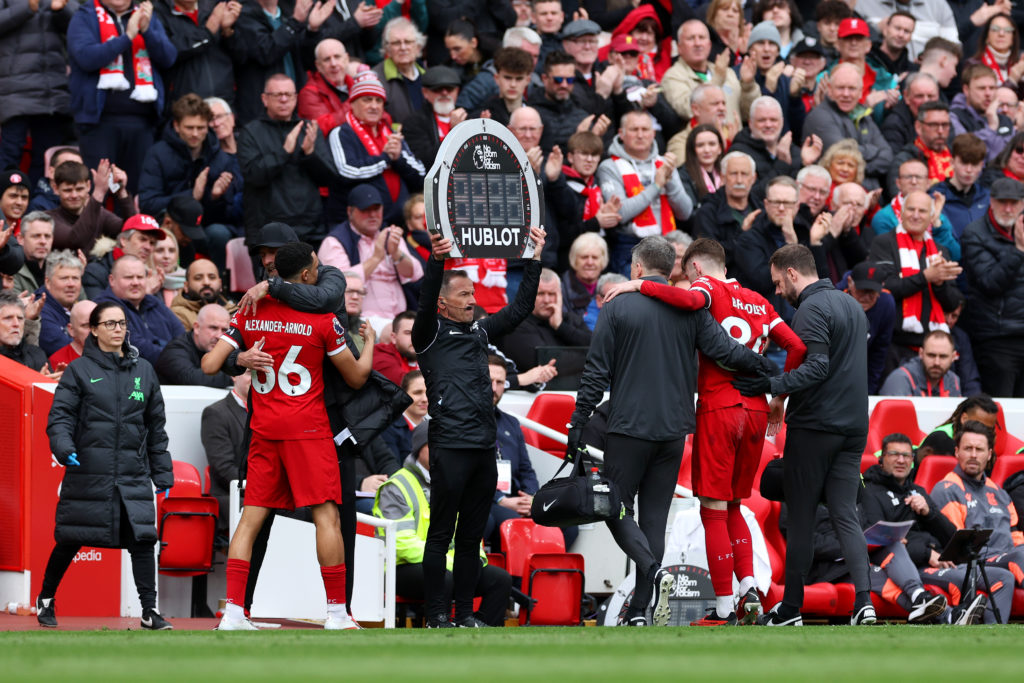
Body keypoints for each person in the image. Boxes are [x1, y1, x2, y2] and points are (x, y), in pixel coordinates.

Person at [569, 235, 773, 627]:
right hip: (674, 430)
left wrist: (578, 422)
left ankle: (649, 571)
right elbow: (728, 351)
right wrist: (769, 369)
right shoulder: (691, 310)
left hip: (628, 426)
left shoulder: (618, 304)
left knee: (612, 505)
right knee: (654, 519)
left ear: (638, 268)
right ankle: (641, 611)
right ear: (671, 269)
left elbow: (596, 372)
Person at [203, 241, 375, 631]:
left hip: (264, 429)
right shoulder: (322, 319)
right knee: (327, 517)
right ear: (307, 275)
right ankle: (335, 614)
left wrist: (241, 359)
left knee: (249, 520)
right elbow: (357, 377)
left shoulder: (251, 310)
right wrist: (370, 344)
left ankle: (232, 613)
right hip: (308, 430)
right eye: (315, 267)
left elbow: (209, 362)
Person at [410, 224, 547, 628]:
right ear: (444, 304)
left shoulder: (480, 331)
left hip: (483, 448)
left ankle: (465, 615)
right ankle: (436, 615)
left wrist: (534, 260)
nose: (473, 300)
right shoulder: (429, 334)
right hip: (449, 446)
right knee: (440, 535)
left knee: (471, 539)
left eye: (473, 293)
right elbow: (422, 298)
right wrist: (437, 259)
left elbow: (520, 309)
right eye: (464, 295)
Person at [734, 244, 875, 626]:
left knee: (800, 517)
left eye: (778, 283)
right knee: (845, 514)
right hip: (854, 426)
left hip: (815, 426)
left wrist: (770, 385)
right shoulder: (851, 306)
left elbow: (816, 368)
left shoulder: (812, 309)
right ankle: (865, 602)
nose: (777, 292)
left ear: (793, 273)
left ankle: (791, 609)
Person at [37, 300, 173, 630]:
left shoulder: (144, 371)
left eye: (122, 323)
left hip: (132, 474)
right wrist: (64, 447)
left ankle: (148, 611)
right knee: (70, 539)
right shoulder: (79, 371)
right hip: (89, 472)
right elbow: (60, 418)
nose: (118, 330)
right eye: (110, 324)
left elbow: (156, 426)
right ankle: (46, 599)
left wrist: (162, 472)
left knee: (142, 541)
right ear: (94, 330)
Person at [373, 420, 513, 626]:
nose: (442, 450)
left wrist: (475, 560)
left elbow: (469, 531)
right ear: (419, 449)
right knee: (442, 576)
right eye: (434, 444)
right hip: (401, 567)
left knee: (500, 579)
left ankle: (479, 632)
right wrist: (448, 562)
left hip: (445, 564)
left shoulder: (456, 480)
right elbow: (401, 543)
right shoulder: (397, 485)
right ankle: (438, 624)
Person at [862, 432, 1007, 624]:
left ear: (913, 460)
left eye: (906, 455)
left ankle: (989, 633)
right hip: (913, 565)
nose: (900, 460)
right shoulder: (869, 492)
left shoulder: (918, 491)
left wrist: (929, 512)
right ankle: (954, 616)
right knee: (961, 576)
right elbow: (880, 540)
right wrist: (926, 553)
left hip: (939, 560)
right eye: (894, 454)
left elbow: (951, 538)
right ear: (882, 459)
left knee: (1004, 576)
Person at [67, 1, 177, 194]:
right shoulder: (85, 16)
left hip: (141, 123)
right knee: (99, 192)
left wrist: (147, 31)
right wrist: (127, 37)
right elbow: (86, 57)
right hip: (99, 123)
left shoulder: (145, 15)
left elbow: (169, 58)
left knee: (135, 192)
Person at [137, 93, 241, 263]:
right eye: (189, 127)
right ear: (177, 126)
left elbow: (229, 216)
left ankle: (217, 283)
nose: (195, 134)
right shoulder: (158, 154)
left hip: (204, 226)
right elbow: (148, 204)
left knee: (220, 233)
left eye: (201, 128)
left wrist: (215, 198)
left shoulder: (219, 157)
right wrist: (191, 196)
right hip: (170, 225)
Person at [236, 73, 337, 246]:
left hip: (310, 230)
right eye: (277, 95)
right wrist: (284, 152)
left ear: (296, 98)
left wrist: (310, 154)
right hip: (268, 234)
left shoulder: (309, 129)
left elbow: (329, 178)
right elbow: (253, 176)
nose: (284, 100)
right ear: (265, 99)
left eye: (288, 95)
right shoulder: (250, 132)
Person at [868, 190, 961, 370]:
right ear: (901, 213)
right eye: (911, 209)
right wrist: (926, 276)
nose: (916, 215)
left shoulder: (941, 250)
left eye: (922, 211)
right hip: (892, 345)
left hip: (932, 351)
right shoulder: (883, 243)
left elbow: (952, 302)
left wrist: (939, 283)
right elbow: (886, 288)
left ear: (932, 216)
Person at [597, 110, 693, 275]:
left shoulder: (664, 163)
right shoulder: (609, 166)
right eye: (634, 129)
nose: (640, 135)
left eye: (645, 129)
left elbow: (685, 212)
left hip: (666, 244)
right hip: (631, 247)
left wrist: (669, 181)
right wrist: (656, 186)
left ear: (653, 133)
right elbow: (621, 212)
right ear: (621, 134)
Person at [932, 421, 1024, 591]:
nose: (973, 455)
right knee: (1019, 557)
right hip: (977, 562)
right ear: (957, 452)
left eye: (979, 449)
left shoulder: (1000, 493)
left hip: (1011, 558)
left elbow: (1017, 537)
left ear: (989, 454)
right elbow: (957, 546)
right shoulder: (947, 489)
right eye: (968, 448)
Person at [326, 70, 426, 227]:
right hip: (361, 225)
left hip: (400, 223)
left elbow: (420, 174)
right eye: (367, 100)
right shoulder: (341, 133)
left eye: (379, 101)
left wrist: (398, 157)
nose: (374, 106)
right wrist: (386, 158)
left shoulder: (391, 134)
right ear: (352, 103)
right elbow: (347, 171)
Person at [317, 184, 422, 324]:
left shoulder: (389, 234)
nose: (372, 215)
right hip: (359, 321)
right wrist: (376, 258)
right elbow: (338, 284)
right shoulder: (335, 242)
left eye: (376, 209)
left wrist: (396, 253)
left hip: (399, 319)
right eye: (365, 210)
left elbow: (414, 274)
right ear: (350, 212)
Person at [960, 177, 1024, 397]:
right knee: (1001, 410)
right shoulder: (974, 233)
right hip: (996, 338)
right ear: (992, 202)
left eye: (1014, 203)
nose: (1008, 209)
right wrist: (1018, 251)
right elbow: (989, 282)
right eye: (1002, 202)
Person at [802, 62, 894, 187]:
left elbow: (887, 157)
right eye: (840, 88)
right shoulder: (820, 116)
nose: (846, 94)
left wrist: (856, 166)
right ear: (829, 89)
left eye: (852, 88)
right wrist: (872, 150)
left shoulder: (864, 115)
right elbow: (841, 154)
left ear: (861, 92)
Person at [663, 19, 758, 127]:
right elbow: (688, 110)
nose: (697, 43)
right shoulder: (673, 77)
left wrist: (748, 85)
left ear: (709, 45)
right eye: (691, 38)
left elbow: (749, 115)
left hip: (735, 141)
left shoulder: (727, 72)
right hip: (703, 142)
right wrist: (717, 79)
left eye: (702, 38)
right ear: (679, 47)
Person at [93, 254, 185, 365]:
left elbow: (182, 338)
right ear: (112, 280)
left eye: (140, 277)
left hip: (174, 367)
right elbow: (135, 347)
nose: (136, 282)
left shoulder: (154, 302)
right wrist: (177, 357)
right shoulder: (105, 308)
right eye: (129, 277)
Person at [499, 267, 592, 372]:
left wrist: (561, 327)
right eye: (540, 294)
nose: (547, 300)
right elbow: (544, 362)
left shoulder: (570, 319)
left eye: (552, 294)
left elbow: (596, 346)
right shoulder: (515, 323)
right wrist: (590, 358)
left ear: (560, 295)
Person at [155, 0, 240, 105]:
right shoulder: (157, 12)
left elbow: (242, 57)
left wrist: (227, 30)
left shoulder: (216, 6)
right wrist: (207, 32)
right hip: (185, 105)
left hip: (223, 102)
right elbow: (167, 52)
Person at [46, 160, 135, 254]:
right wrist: (99, 192)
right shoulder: (48, 220)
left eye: (79, 189)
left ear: (88, 186)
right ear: (55, 188)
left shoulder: (100, 214)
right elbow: (75, 240)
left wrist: (122, 192)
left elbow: (130, 231)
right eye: (67, 190)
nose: (74, 195)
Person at [201, 371, 251, 537]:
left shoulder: (269, 413)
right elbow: (223, 467)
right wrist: (257, 487)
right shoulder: (216, 413)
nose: (255, 380)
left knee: (306, 507)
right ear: (234, 376)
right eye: (250, 373)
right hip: (231, 494)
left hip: (263, 491)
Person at [692, 151, 758, 275]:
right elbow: (709, 259)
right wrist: (742, 233)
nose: (739, 180)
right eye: (733, 174)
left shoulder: (761, 210)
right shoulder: (707, 213)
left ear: (753, 178)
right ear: (723, 177)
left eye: (744, 174)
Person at [729, 97, 823, 182]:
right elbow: (754, 197)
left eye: (773, 120)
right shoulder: (739, 153)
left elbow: (799, 191)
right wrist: (782, 164)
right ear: (750, 123)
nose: (768, 125)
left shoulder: (793, 150)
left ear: (782, 122)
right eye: (762, 120)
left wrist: (805, 164)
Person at [840, 260, 897, 394]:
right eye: (861, 291)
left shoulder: (886, 304)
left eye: (871, 293)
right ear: (850, 283)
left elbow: (879, 352)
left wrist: (868, 393)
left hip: (861, 364)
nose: (865, 298)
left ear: (881, 288)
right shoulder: (834, 299)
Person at [83, 213, 165, 298]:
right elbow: (100, 309)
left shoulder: (148, 277)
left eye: (152, 243)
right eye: (142, 239)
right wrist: (143, 294)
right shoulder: (95, 272)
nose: (148, 247)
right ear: (124, 241)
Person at [155, 303, 233, 387]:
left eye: (224, 330)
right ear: (197, 328)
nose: (219, 336)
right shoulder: (174, 351)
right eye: (213, 328)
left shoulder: (225, 348)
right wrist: (236, 373)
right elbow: (194, 379)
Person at [950, 63, 1014, 164]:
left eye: (992, 88)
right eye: (982, 88)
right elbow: (966, 152)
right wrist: (991, 128)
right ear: (966, 90)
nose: (988, 93)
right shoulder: (955, 117)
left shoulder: (1005, 120)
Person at [887, 101, 954, 195]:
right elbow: (899, 197)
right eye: (933, 125)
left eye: (945, 125)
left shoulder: (957, 155)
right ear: (918, 127)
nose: (940, 131)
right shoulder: (903, 160)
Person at [934, 133, 991, 242]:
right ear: (952, 162)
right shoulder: (936, 196)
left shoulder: (987, 197)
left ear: (981, 165)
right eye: (964, 163)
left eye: (974, 164)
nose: (969, 170)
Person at [373, 17, 426, 126]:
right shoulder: (376, 79)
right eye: (396, 43)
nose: (403, 47)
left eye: (408, 42)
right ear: (387, 49)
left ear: (418, 47)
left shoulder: (426, 75)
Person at [880, 330, 963, 397]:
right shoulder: (900, 379)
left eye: (943, 356)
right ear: (921, 353)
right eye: (931, 355)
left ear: (953, 357)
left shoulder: (953, 380)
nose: (936, 362)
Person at [297, 38, 353, 135]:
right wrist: (355, 104)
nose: (333, 64)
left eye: (337, 57)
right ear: (318, 65)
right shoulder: (309, 93)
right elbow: (320, 128)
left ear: (346, 59)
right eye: (327, 59)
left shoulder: (357, 85)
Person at [918, 395, 1000, 460]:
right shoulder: (941, 438)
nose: (984, 432)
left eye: (989, 429)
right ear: (964, 419)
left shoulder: (986, 441)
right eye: (979, 425)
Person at [37, 249, 85, 357]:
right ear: (48, 282)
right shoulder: (40, 310)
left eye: (75, 278)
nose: (71, 284)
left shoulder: (76, 307)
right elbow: (67, 351)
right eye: (64, 278)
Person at [169, 258, 236, 330]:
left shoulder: (234, 311)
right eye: (198, 278)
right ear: (186, 286)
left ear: (220, 284)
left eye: (212, 277)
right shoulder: (176, 315)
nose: (206, 282)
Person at [881, 72, 940, 151]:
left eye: (931, 96)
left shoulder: (944, 118)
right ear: (906, 96)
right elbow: (896, 160)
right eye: (919, 96)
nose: (926, 101)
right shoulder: (894, 124)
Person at [0, 290, 54, 375]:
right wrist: (36, 384)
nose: (16, 324)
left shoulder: (38, 354)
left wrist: (56, 384)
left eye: (20, 318)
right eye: (8, 318)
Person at [380, 369, 428, 463]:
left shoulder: (436, 425)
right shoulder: (389, 429)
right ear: (403, 394)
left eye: (428, 392)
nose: (425, 399)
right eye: (417, 392)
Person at [372, 310, 418, 386]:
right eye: (408, 333)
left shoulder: (423, 356)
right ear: (393, 337)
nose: (415, 338)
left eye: (419, 333)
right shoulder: (382, 359)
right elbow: (412, 387)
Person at [49, 300, 97, 369]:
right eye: (86, 325)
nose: (93, 330)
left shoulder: (114, 354)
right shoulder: (58, 361)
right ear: (71, 330)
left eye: (97, 324)